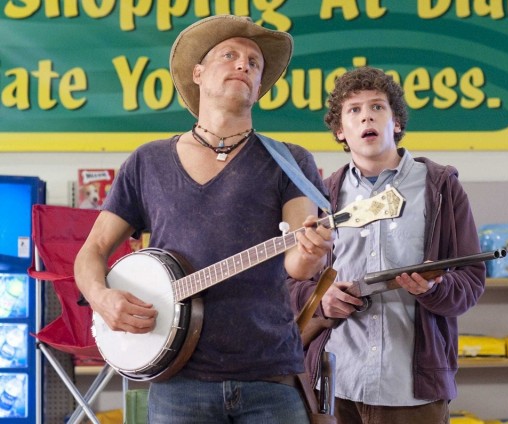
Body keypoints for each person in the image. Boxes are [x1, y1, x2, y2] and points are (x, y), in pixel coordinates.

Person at [74, 14, 333, 424]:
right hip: (178, 382)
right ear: (198, 73)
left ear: (259, 86)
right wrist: (101, 298)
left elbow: (299, 265)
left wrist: (313, 250)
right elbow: (92, 251)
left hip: (269, 376)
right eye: (229, 55)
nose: (244, 64)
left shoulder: (291, 160)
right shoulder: (147, 161)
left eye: (254, 62)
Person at [288, 66, 486, 424]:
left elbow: (471, 281)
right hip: (335, 386)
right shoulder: (319, 196)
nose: (367, 116)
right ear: (340, 131)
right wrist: (322, 300)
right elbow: (289, 282)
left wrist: (433, 289)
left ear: (396, 123)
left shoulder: (441, 188)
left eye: (377, 107)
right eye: (354, 110)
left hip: (412, 390)